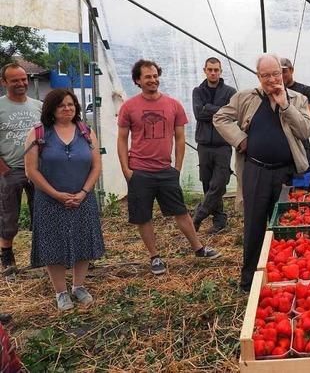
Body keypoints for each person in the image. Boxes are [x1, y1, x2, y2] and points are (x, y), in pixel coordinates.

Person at [214, 53, 310, 292]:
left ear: (284, 73)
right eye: (266, 75)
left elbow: (305, 131)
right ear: (258, 76)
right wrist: (240, 139)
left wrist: (285, 105)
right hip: (256, 171)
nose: (272, 80)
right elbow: (220, 117)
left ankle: (284, 278)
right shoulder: (247, 97)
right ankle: (249, 281)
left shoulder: (297, 98)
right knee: (254, 226)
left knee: (285, 226)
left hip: (286, 174)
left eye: (276, 74)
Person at [117, 59, 221, 276]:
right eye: (148, 77)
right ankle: (154, 257)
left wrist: (177, 168)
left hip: (166, 170)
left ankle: (199, 248)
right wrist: (127, 170)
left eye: (155, 75)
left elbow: (180, 138)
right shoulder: (129, 107)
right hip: (140, 170)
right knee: (144, 216)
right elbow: (121, 139)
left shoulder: (173, 105)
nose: (153, 80)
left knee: (180, 211)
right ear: (138, 80)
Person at [24, 89, 104, 311]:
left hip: (82, 199)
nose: (68, 109)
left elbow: (96, 166)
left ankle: (79, 286)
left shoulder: (86, 132)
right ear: (52, 108)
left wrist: (84, 192)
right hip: (50, 201)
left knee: (83, 240)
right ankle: (61, 292)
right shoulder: (39, 133)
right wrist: (56, 194)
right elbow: (32, 171)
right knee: (53, 244)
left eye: (71, 104)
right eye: (62, 105)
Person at [0, 63, 42, 282]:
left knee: (41, 213)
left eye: (23, 79)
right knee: (9, 215)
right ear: (4, 82)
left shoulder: (38, 106)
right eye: (15, 80)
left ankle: (41, 256)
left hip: (36, 169)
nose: (21, 83)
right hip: (11, 170)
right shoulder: (1, 107)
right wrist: (4, 170)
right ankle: (7, 257)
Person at [191, 57, 236, 234]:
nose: (213, 73)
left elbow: (232, 114)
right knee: (206, 182)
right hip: (204, 144)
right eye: (210, 69)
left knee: (219, 183)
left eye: (216, 70)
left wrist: (208, 108)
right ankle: (220, 220)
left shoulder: (230, 91)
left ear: (220, 71)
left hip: (223, 144)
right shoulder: (198, 91)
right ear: (205, 70)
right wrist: (219, 110)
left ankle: (199, 215)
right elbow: (198, 114)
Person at [280, 57, 310, 169]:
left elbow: (307, 119)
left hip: (301, 143)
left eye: (284, 71)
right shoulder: (274, 92)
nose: (282, 75)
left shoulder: (305, 90)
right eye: (279, 72)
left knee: (303, 181)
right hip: (282, 145)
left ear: (291, 70)